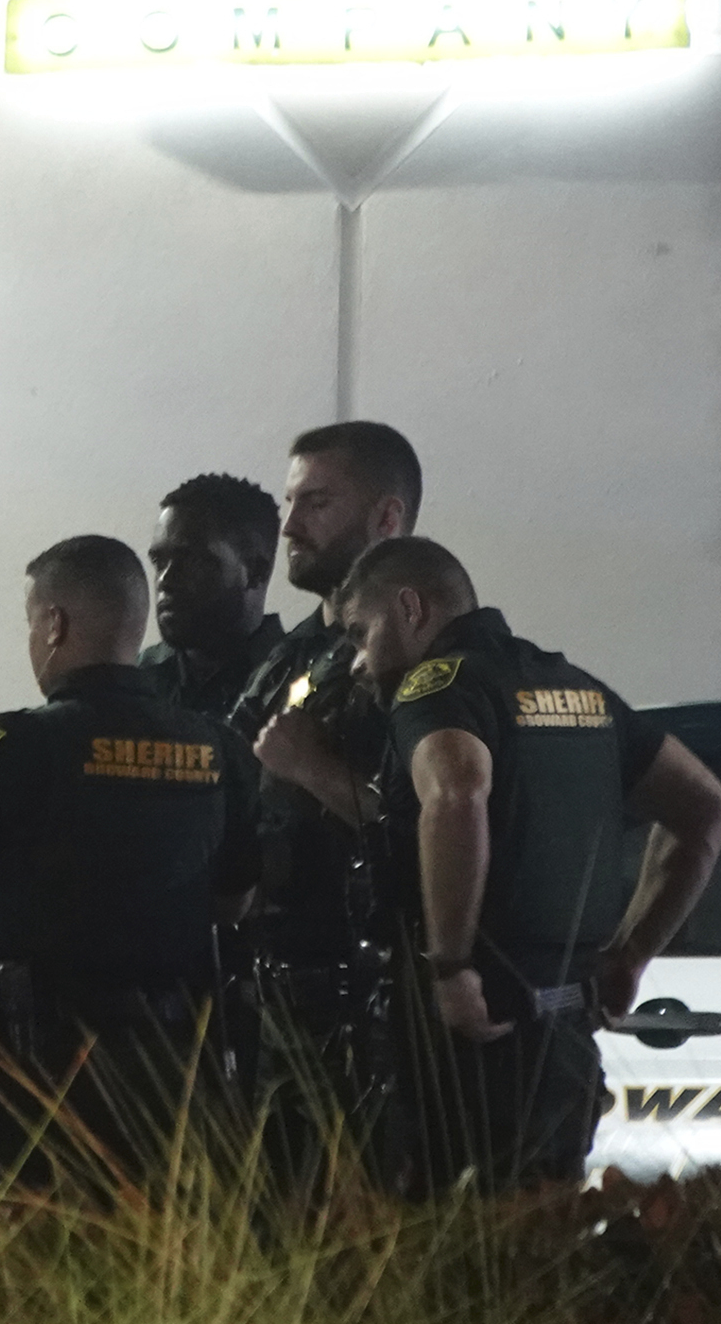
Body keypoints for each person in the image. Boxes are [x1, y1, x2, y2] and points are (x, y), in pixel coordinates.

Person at [255, 538, 721, 1193]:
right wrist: (630, 953)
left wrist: (451, 967)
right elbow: (706, 809)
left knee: (456, 1262)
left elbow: (456, 793)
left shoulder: (437, 685)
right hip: (563, 1033)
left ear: (410, 607)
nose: (360, 663)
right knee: (539, 1246)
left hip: (473, 1040)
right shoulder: (575, 688)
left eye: (362, 635)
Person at [0, 535, 260, 1189]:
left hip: (33, 1072)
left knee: (15, 1264)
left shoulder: (20, 741)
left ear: (54, 624)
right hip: (164, 1072)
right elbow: (233, 900)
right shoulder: (214, 748)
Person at [220, 420, 421, 1169]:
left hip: (371, 1012)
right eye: (289, 501)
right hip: (270, 1005)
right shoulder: (289, 657)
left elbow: (431, 827)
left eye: (317, 504)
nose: (290, 526)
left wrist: (311, 769)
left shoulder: (427, 659)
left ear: (387, 518)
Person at [138, 473, 287, 724]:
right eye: (159, 562)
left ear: (255, 571)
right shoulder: (136, 681)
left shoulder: (297, 678)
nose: (165, 579)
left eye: (193, 561)